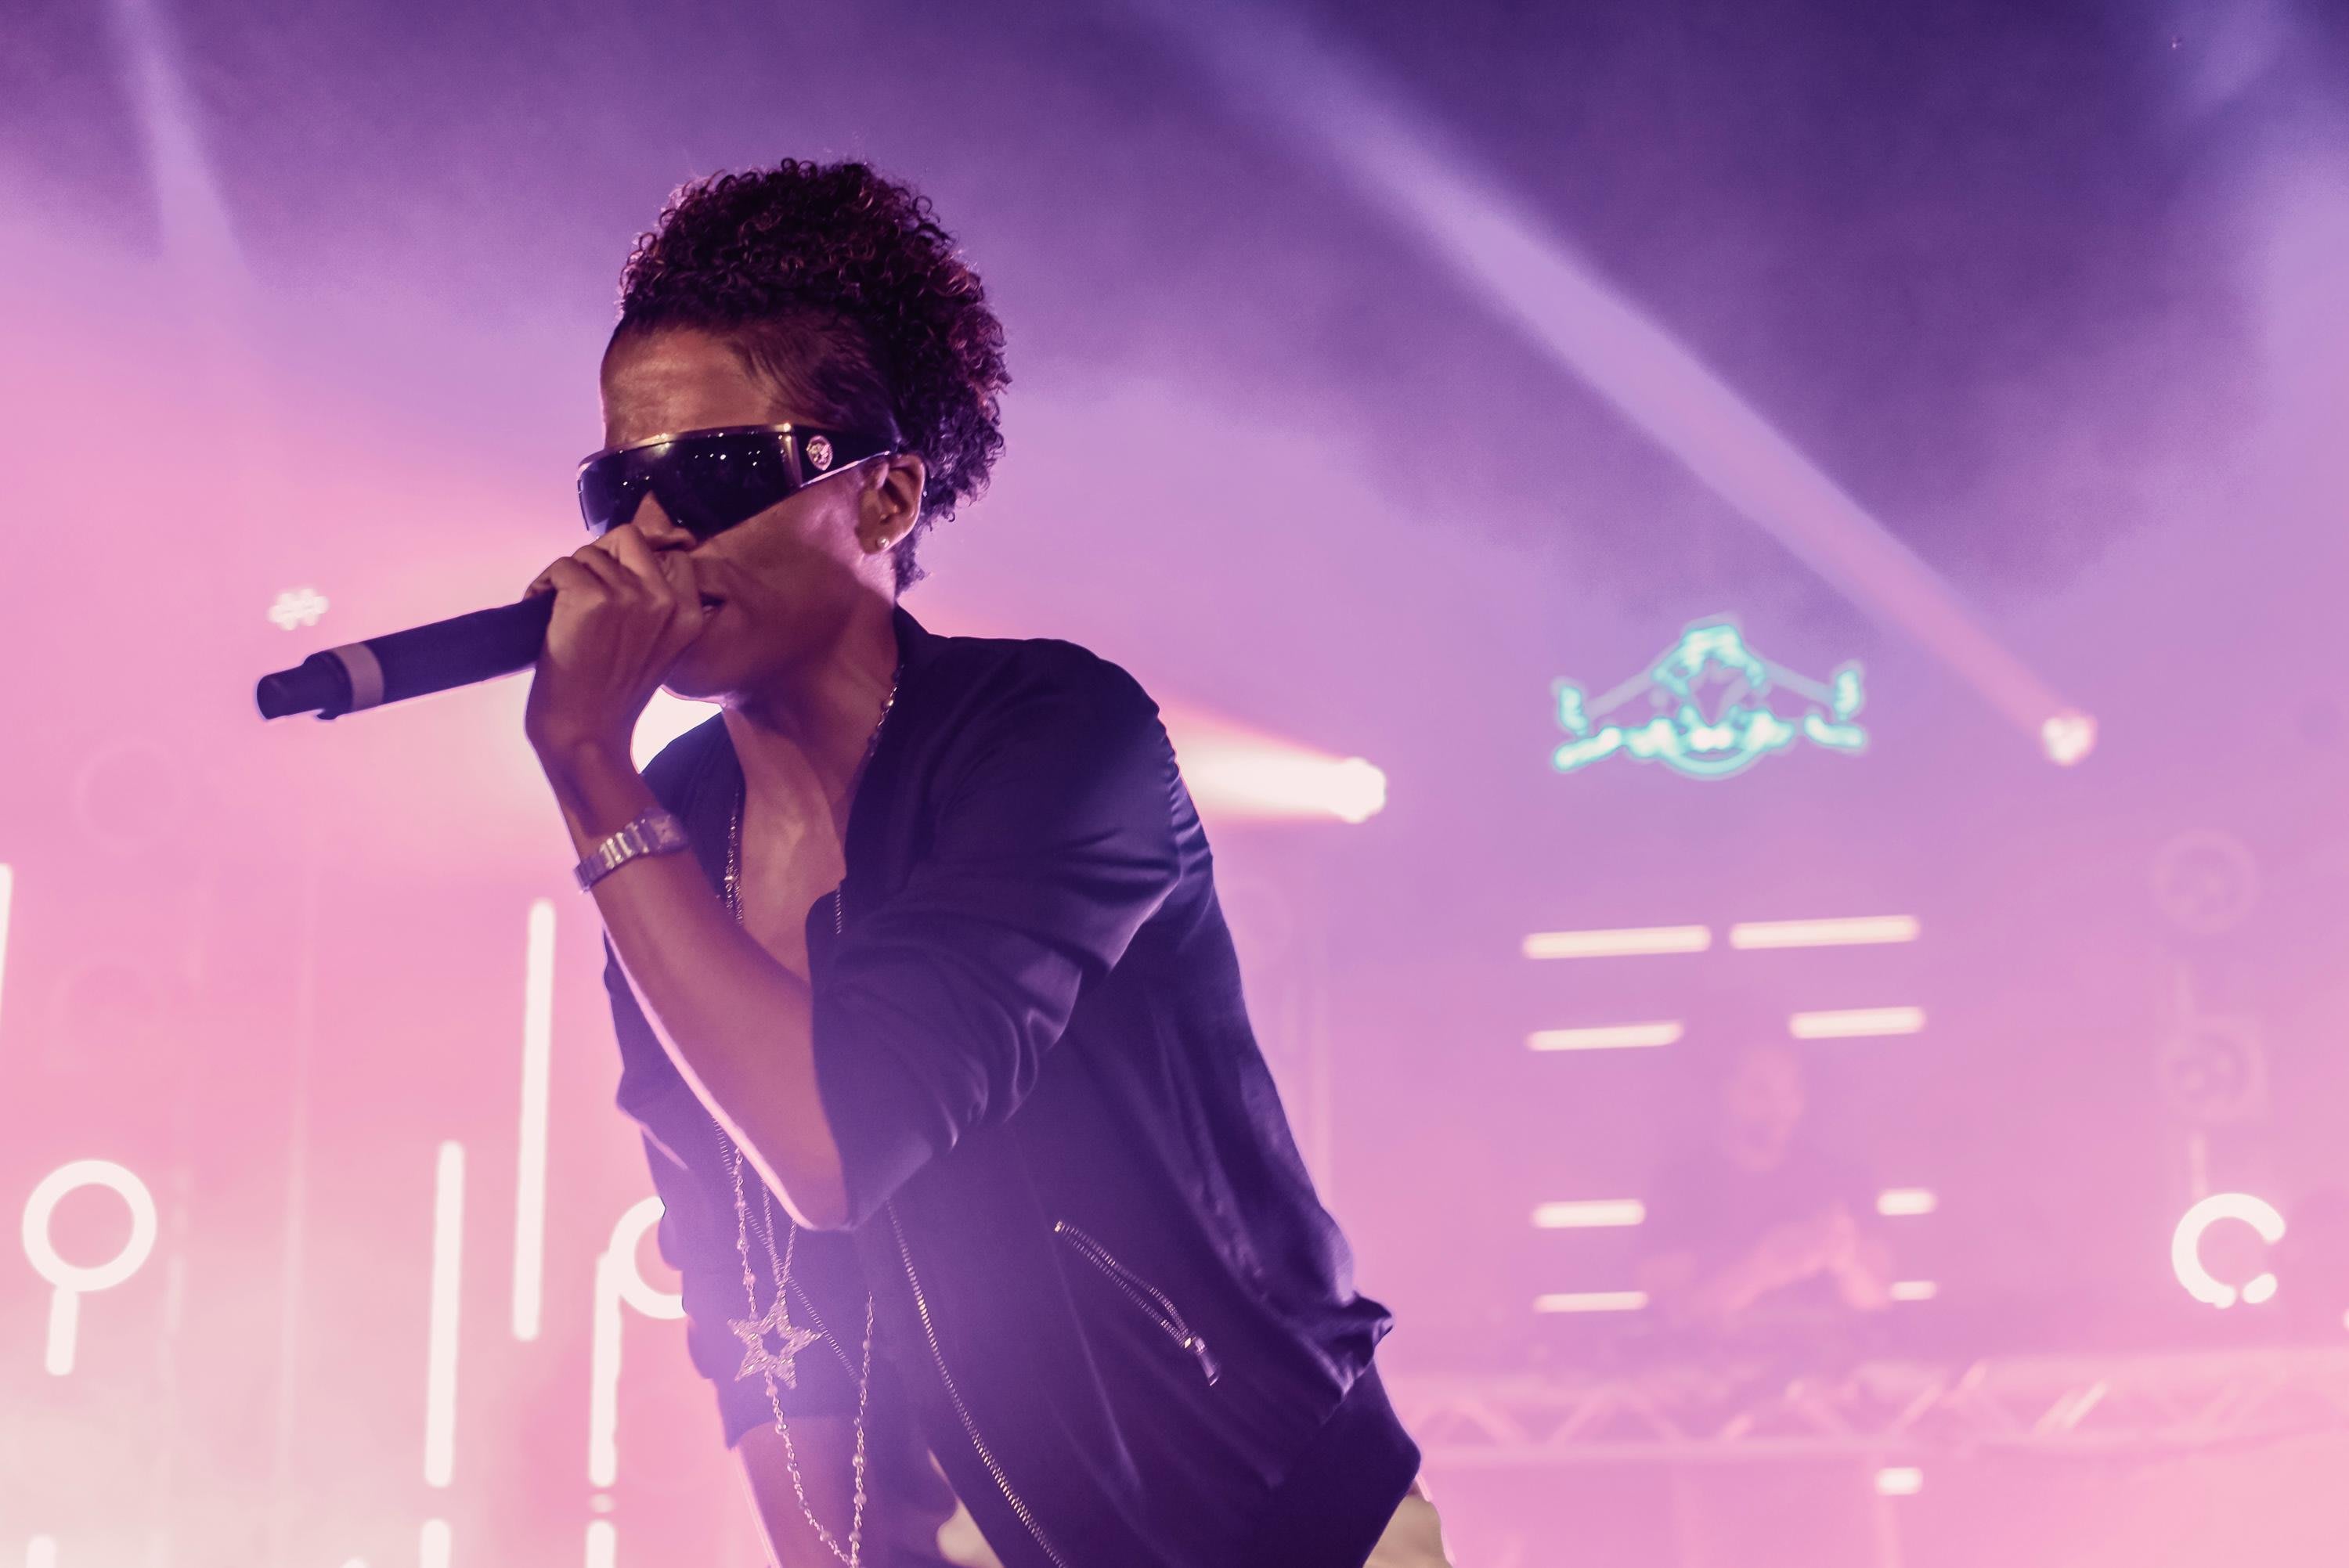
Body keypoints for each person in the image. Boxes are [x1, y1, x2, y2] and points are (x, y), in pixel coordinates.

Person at [524, 160, 1449, 1568]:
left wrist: (589, 762)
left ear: (885, 497)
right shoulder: (673, 827)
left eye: (713, 472)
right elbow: (742, 1269)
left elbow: (835, 1144)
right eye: (621, 483)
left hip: (1272, 1531)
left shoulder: (1054, 735)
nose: (651, 532)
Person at [1636, 1037, 1893, 1336]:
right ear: (1723, 1092)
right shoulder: (1682, 1185)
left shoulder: (1840, 1179)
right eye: (1761, 1090)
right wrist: (1760, 1269)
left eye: (1792, 1090)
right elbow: (1671, 1316)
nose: (1781, 1107)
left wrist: (1845, 1261)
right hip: (1711, 1360)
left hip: (1829, 1359)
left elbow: (1879, 1302)